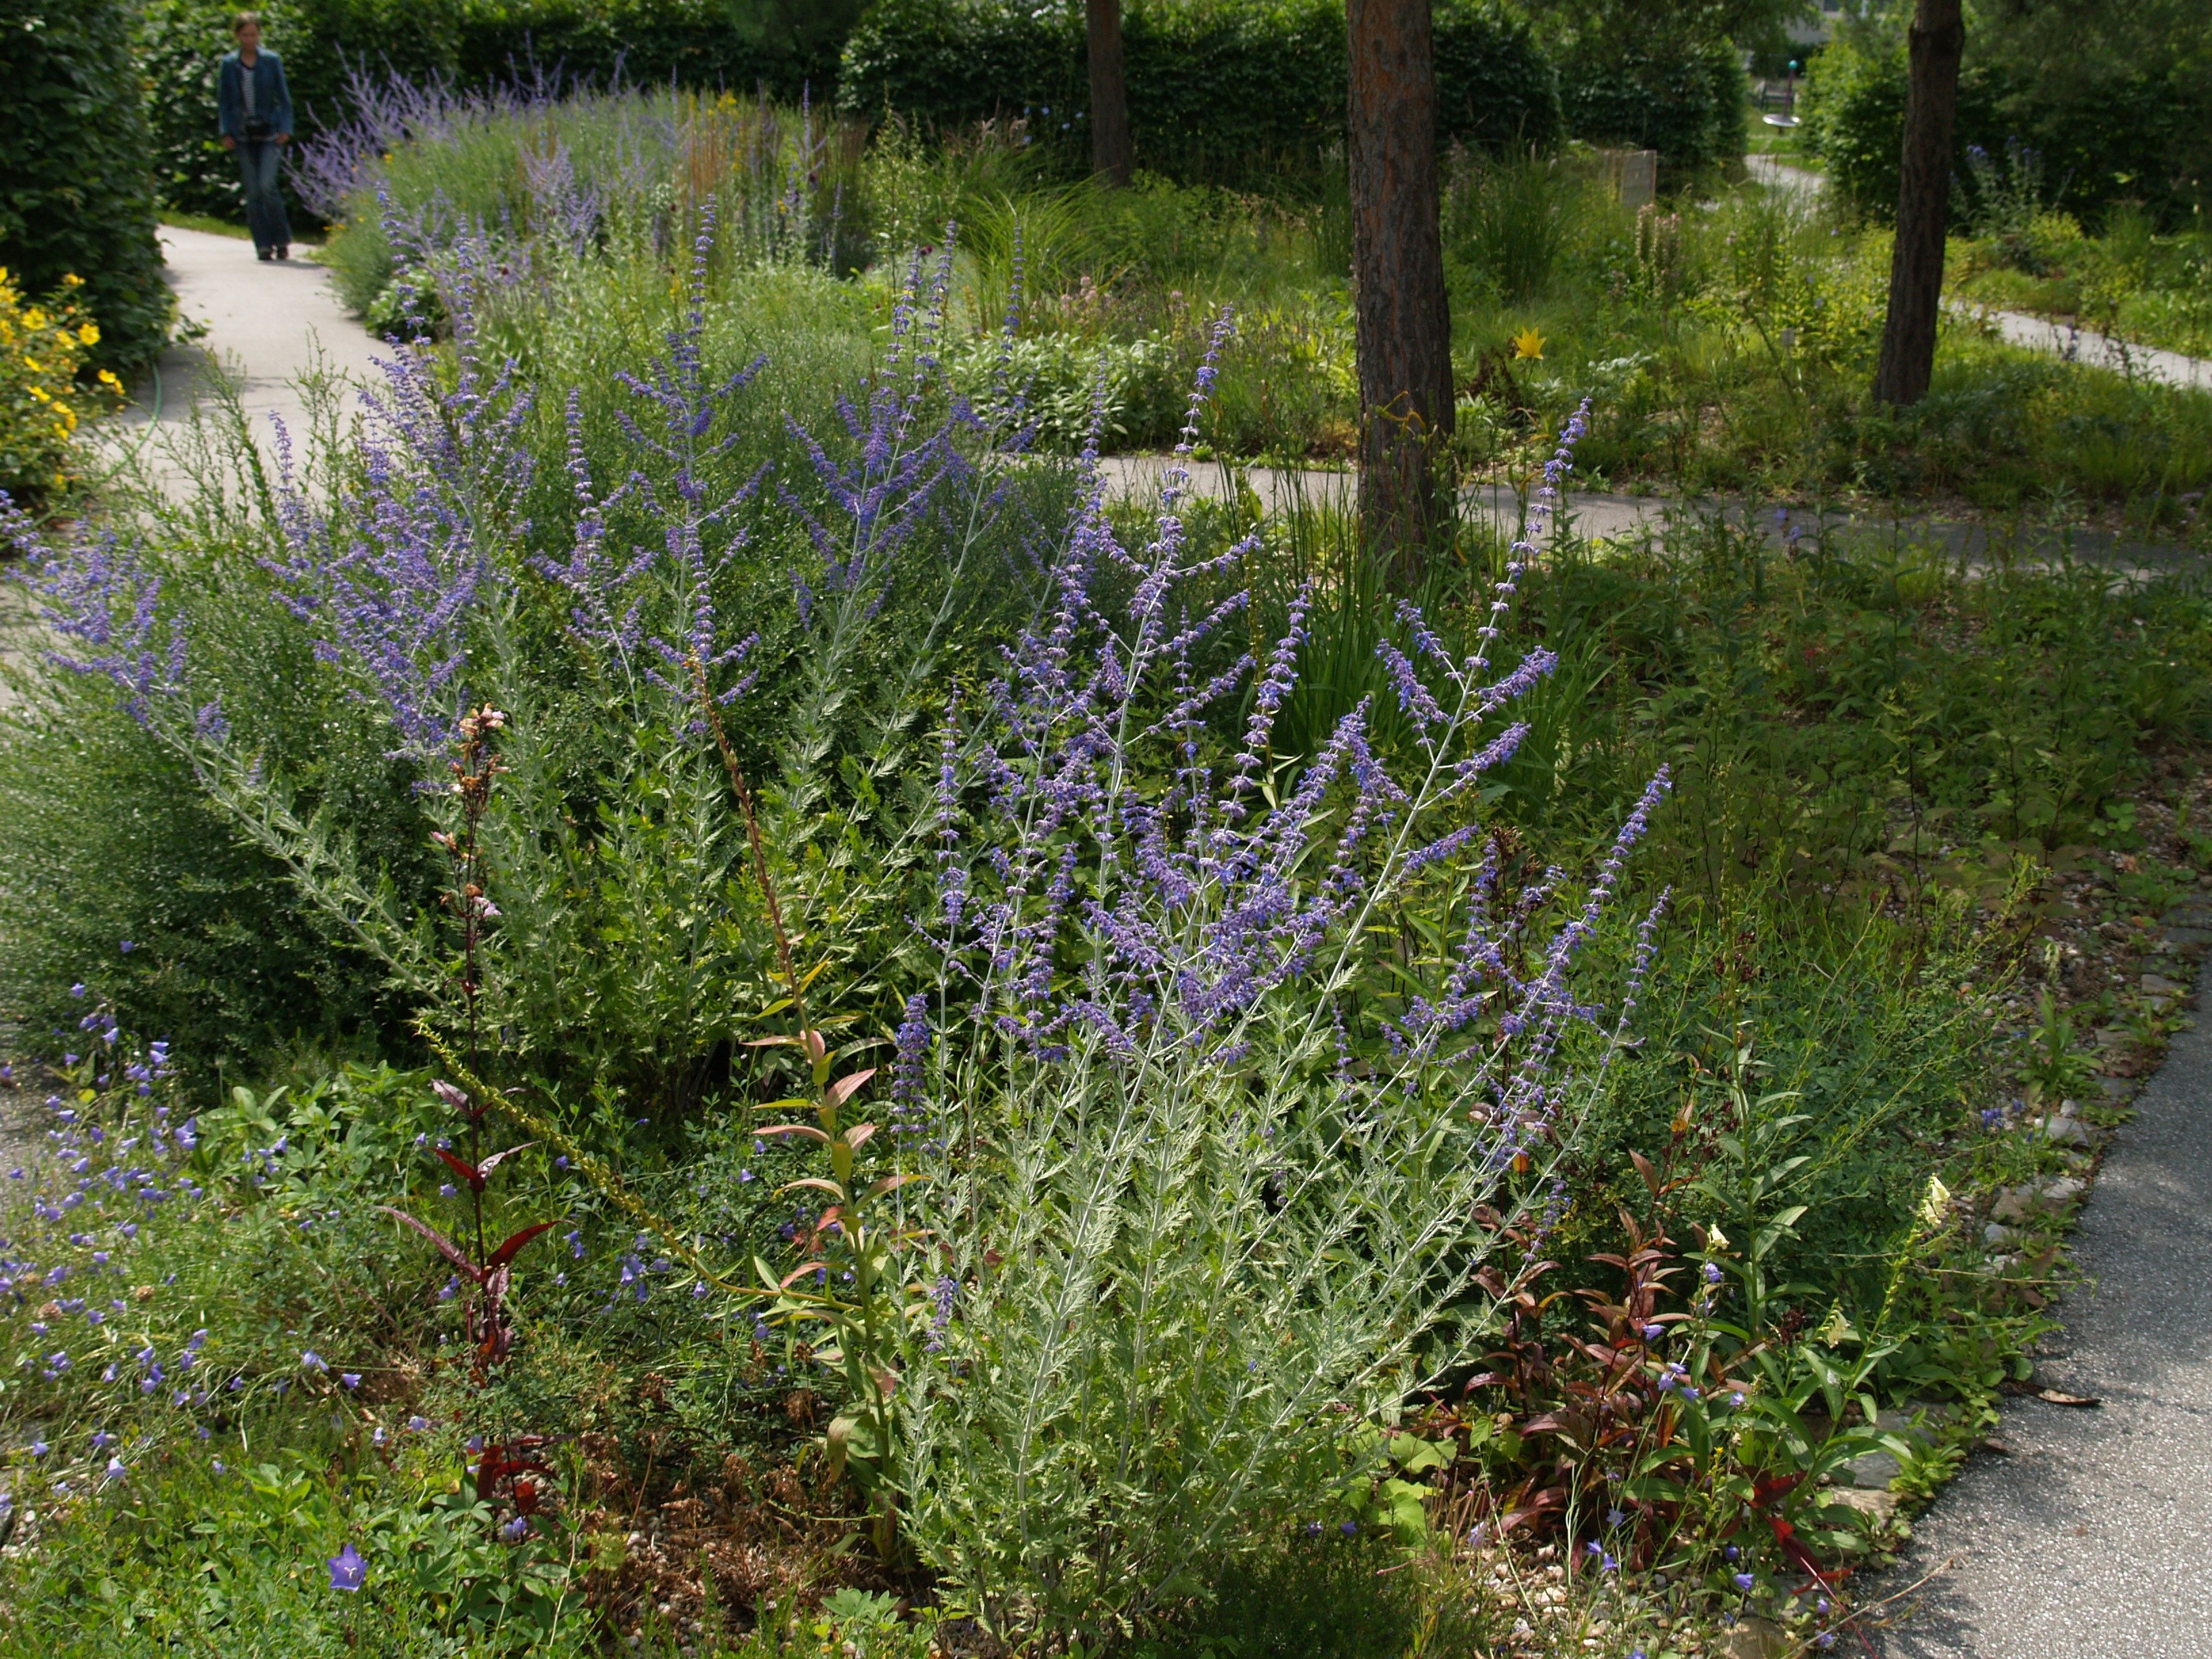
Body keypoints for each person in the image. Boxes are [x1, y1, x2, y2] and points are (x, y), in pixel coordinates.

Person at [216, 12, 294, 262]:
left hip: (269, 131)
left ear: (259, 34)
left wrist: (285, 127)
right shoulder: (230, 64)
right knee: (253, 192)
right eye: (245, 34)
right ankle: (263, 245)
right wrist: (226, 131)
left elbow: (283, 97)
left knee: (266, 185)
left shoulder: (271, 61)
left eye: (254, 34)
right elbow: (225, 101)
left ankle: (281, 239)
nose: (250, 39)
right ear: (237, 35)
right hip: (242, 133)